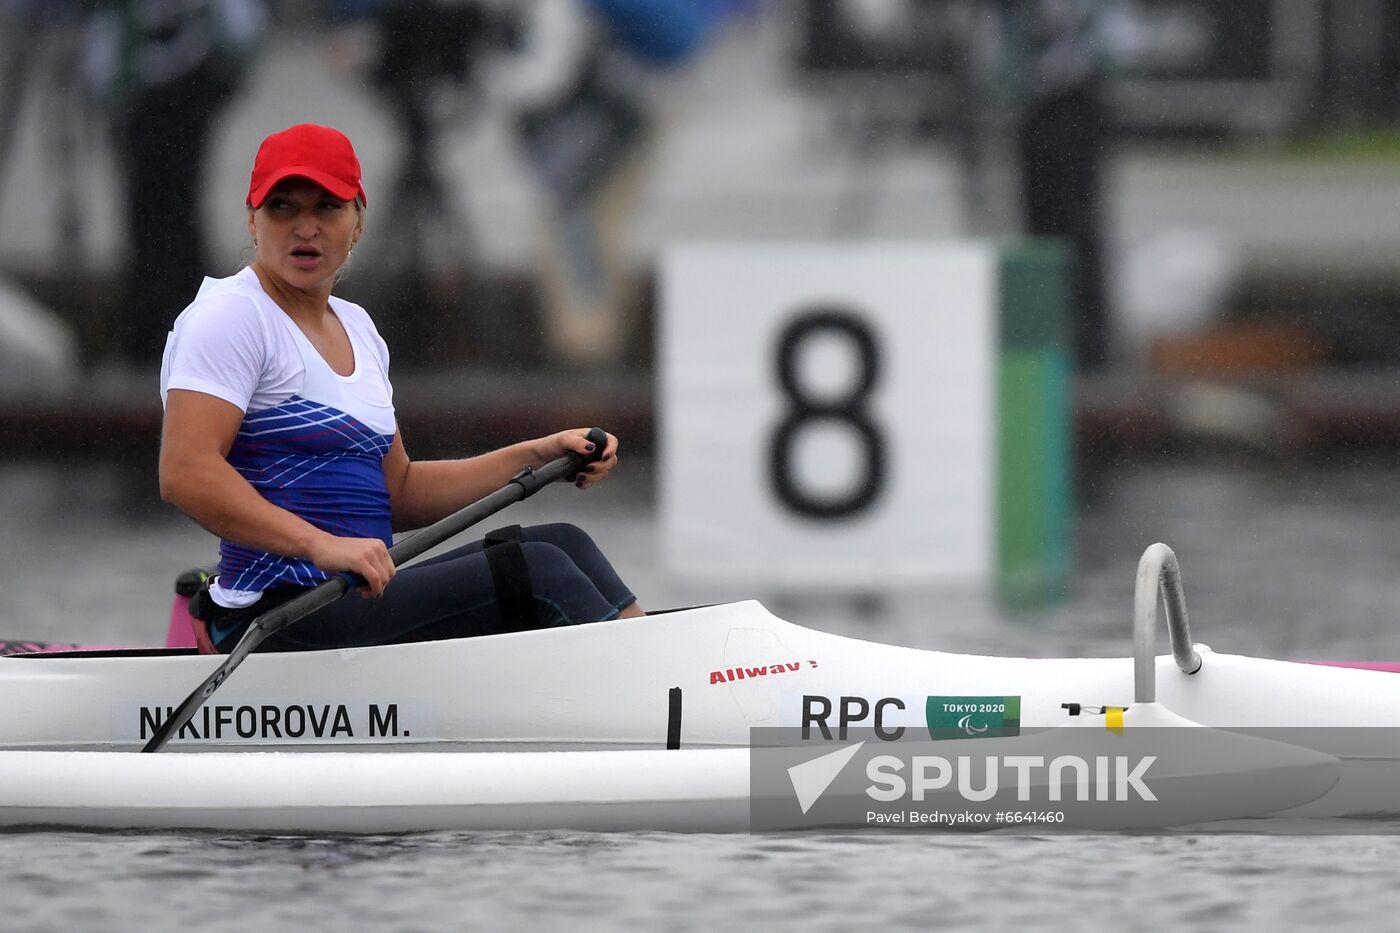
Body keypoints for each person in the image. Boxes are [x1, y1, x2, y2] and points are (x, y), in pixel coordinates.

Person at [158, 123, 643, 653]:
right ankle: (669, 701)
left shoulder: (358, 328)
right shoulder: (231, 317)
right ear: (252, 220)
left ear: (358, 221)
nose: (305, 228)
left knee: (564, 541)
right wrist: (320, 546)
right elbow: (185, 473)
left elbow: (399, 491)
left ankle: (673, 676)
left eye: (327, 208)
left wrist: (540, 454)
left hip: (350, 598)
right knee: (536, 570)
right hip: (274, 615)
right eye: (282, 208)